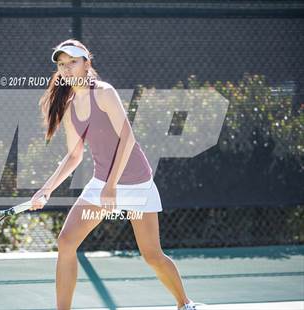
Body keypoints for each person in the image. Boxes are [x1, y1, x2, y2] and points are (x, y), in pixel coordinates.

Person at [29, 39, 203, 310]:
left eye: (72, 62)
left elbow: (128, 138)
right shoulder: (69, 105)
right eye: (62, 64)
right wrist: (47, 189)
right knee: (66, 242)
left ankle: (185, 303)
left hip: (135, 183)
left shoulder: (104, 92)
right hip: (102, 183)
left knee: (152, 256)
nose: (66, 69)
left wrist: (111, 187)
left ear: (87, 63)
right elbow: (75, 156)